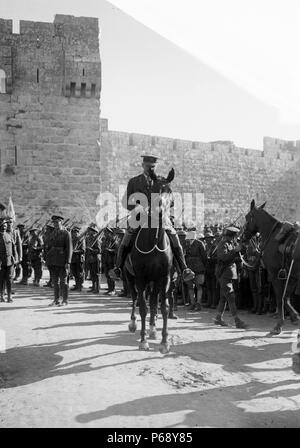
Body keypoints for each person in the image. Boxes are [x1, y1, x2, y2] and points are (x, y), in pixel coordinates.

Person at [110, 155, 194, 283]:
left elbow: (172, 201)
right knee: (127, 237)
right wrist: (137, 206)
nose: (150, 168)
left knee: (174, 236)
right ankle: (118, 268)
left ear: (155, 167)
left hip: (160, 218)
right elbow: (125, 202)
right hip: (140, 218)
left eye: (153, 167)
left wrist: (163, 204)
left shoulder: (162, 181)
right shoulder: (134, 181)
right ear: (143, 165)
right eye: (148, 166)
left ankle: (184, 269)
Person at [214, 226, 249, 329]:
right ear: (231, 236)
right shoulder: (222, 244)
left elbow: (237, 257)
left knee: (223, 297)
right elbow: (223, 258)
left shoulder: (230, 243)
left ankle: (218, 318)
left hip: (229, 273)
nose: (235, 238)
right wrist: (234, 250)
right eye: (235, 236)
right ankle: (237, 320)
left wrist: (241, 249)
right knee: (231, 296)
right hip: (224, 273)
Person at [46, 215, 73, 306]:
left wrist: (68, 262)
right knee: (55, 282)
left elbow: (69, 249)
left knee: (63, 282)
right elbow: (50, 247)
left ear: (61, 222)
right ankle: (56, 300)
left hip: (62, 261)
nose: (55, 224)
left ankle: (65, 300)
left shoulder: (66, 233)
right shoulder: (53, 233)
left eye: (57, 222)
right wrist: (48, 260)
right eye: (54, 223)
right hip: (53, 260)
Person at [185, 227, 207, 311]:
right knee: (190, 286)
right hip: (189, 267)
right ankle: (193, 303)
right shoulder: (187, 244)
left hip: (199, 267)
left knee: (199, 285)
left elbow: (204, 257)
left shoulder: (200, 243)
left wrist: (203, 266)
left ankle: (198, 303)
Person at [0, 218, 16, 303]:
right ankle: (1, 296)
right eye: (2, 226)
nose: (4, 228)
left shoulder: (9, 235)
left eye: (5, 226)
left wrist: (15, 258)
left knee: (9, 279)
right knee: (1, 280)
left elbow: (13, 247)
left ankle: (9, 296)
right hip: (1, 262)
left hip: (10, 261)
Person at [85, 224, 101, 294]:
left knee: (96, 274)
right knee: (92, 274)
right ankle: (93, 287)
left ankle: (97, 288)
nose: (89, 232)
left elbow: (99, 250)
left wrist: (91, 250)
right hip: (89, 259)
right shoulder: (88, 239)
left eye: (90, 231)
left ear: (93, 232)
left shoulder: (96, 240)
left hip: (95, 259)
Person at [70, 226, 86, 292]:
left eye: (75, 232)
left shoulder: (81, 240)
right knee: (74, 273)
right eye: (73, 233)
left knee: (79, 273)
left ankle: (80, 285)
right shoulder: (72, 240)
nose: (74, 234)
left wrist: (75, 251)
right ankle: (76, 285)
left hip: (79, 259)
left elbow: (83, 250)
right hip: (73, 259)